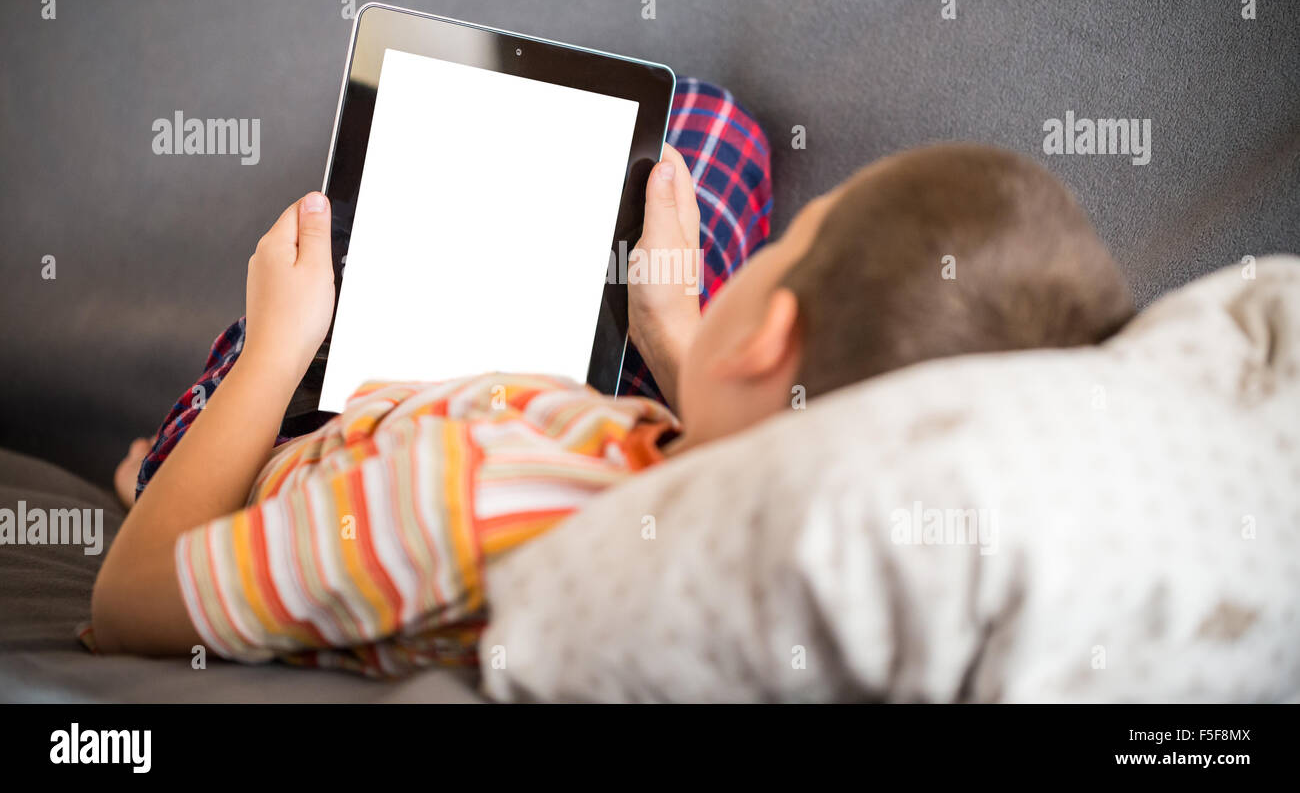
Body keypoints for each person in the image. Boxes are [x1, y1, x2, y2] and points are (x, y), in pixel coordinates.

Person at [90, 81, 1132, 676]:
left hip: (296, 457)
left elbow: (130, 603)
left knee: (337, 247)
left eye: (786, 246)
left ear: (767, 337)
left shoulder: (455, 507)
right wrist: (678, 335)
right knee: (711, 124)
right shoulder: (751, 514)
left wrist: (279, 346)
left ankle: (160, 463)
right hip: (530, 415)